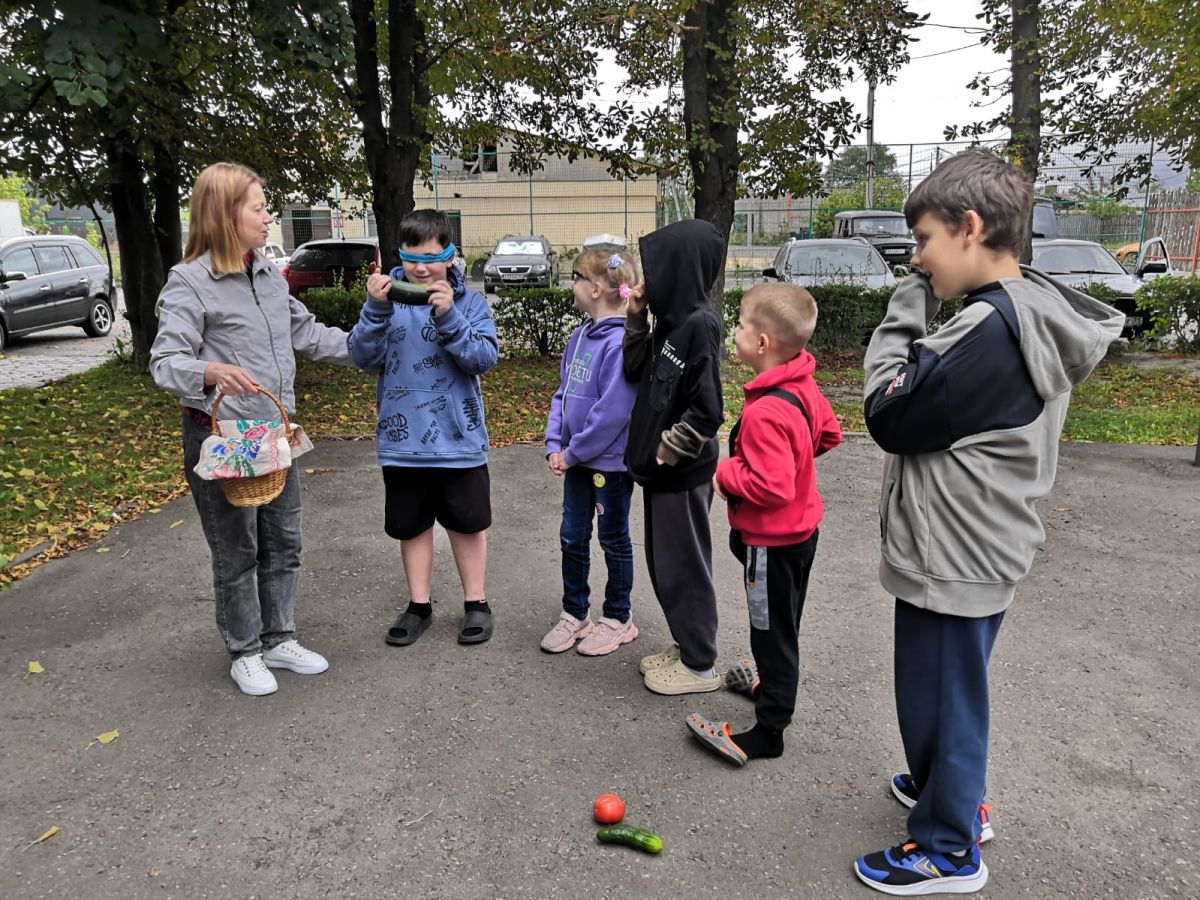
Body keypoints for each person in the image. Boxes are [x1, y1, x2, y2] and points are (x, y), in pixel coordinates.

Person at [853, 149, 1124, 895]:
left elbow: (888, 411)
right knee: (947, 686)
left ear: (970, 228)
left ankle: (948, 847)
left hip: (957, 553)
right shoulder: (1025, 310)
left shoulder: (986, 333)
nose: (917, 257)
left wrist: (907, 300)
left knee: (943, 691)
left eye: (924, 242)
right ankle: (950, 793)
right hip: (981, 540)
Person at [150, 162, 356, 697]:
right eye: (260, 208)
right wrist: (209, 371)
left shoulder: (267, 276)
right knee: (237, 549)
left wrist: (371, 348)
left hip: (277, 435)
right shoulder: (190, 281)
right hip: (226, 441)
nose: (270, 218)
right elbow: (165, 361)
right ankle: (245, 650)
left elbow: (308, 333)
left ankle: (278, 637)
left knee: (284, 541)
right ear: (224, 214)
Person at [685, 283, 842, 765]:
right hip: (800, 535)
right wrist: (795, 462)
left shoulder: (767, 411)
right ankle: (771, 682)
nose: (733, 332)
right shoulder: (801, 383)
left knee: (770, 633)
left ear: (761, 345)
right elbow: (830, 433)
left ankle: (768, 732)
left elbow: (769, 488)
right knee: (783, 622)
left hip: (770, 545)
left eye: (740, 324)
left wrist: (723, 471)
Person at [349, 210, 499, 647]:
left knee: (467, 524)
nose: (420, 267)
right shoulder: (386, 300)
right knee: (411, 526)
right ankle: (419, 605)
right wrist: (376, 309)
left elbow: (483, 359)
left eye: (431, 257)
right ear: (399, 256)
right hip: (403, 441)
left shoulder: (469, 302)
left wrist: (450, 316)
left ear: (450, 257)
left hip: (459, 440)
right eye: (411, 257)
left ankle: (477, 603)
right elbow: (361, 356)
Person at [622, 219, 726, 695]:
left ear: (680, 269)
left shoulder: (699, 326)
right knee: (665, 565)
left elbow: (708, 410)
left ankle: (700, 663)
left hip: (680, 473)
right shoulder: (670, 322)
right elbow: (634, 367)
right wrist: (637, 316)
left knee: (685, 566)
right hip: (660, 474)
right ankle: (685, 646)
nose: (651, 276)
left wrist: (668, 451)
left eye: (658, 268)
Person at [540, 250, 640, 656]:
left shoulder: (621, 344)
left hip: (608, 467)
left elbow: (612, 412)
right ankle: (575, 614)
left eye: (575, 277)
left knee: (613, 539)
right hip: (577, 461)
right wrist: (554, 444)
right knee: (572, 537)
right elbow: (563, 395)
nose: (572, 284)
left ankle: (618, 618)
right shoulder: (580, 337)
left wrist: (573, 452)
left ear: (596, 288)